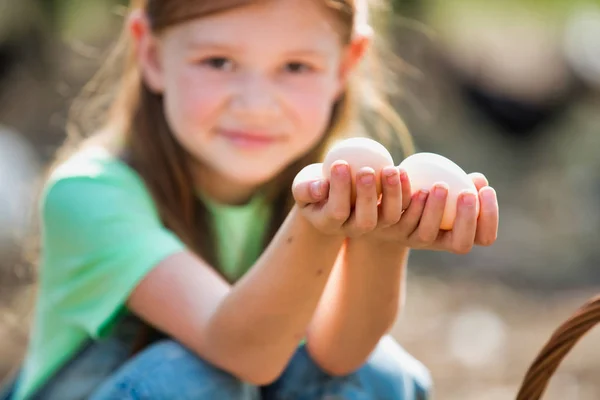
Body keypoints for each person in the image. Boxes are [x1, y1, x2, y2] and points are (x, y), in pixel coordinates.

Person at [3, 0, 499, 399]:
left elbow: (339, 358)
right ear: (151, 56)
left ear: (346, 66)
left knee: (381, 374)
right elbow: (240, 349)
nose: (257, 104)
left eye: (296, 66)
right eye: (218, 62)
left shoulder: (320, 183)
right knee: (195, 377)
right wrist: (315, 227)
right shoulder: (89, 194)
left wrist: (382, 241)